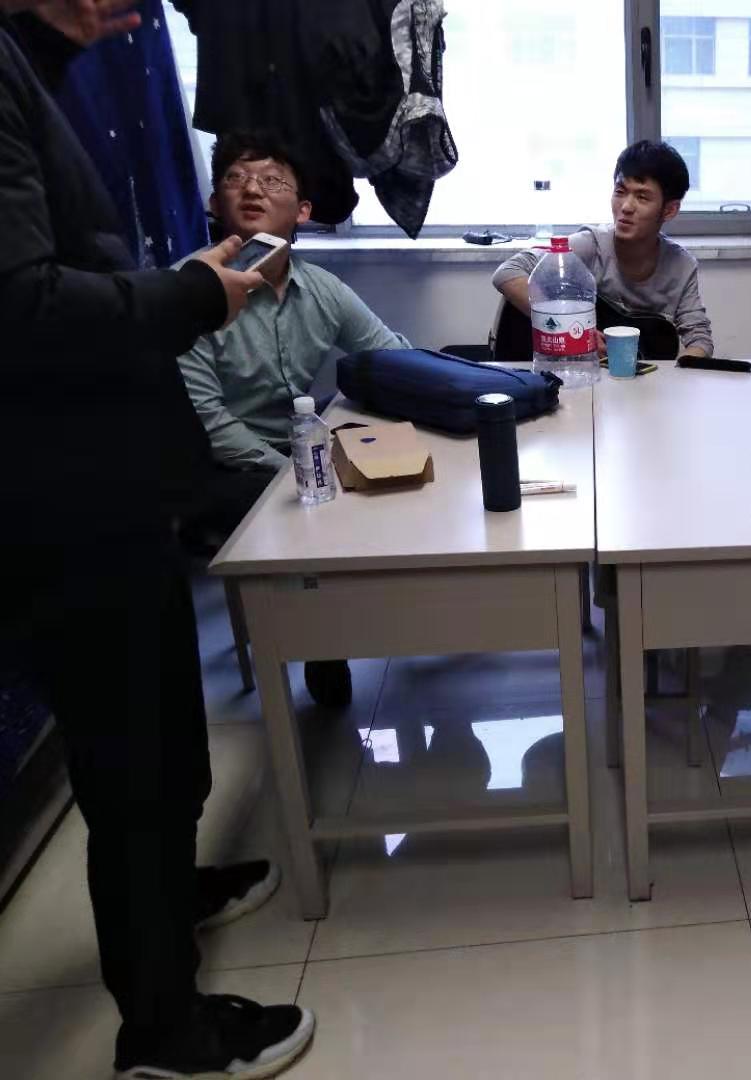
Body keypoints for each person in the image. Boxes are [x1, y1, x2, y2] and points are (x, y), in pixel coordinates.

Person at [0, 2, 315, 1077]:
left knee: (165, 728)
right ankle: (165, 1032)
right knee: (132, 751)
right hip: (60, 495)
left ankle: (172, 893)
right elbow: (23, 307)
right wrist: (192, 293)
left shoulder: (30, 63)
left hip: (108, 485)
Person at [178, 129, 410, 707]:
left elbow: (388, 355)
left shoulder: (319, 288)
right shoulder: (188, 291)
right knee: (307, 505)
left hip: (298, 442)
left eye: (271, 180)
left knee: (392, 462)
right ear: (214, 203)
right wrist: (291, 470)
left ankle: (400, 618)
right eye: (235, 179)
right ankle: (319, 646)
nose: (252, 189)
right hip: (215, 463)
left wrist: (443, 381)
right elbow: (207, 420)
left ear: (302, 210)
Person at [492, 139, 714, 360]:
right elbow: (508, 271)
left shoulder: (681, 266)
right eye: (620, 191)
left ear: (670, 210)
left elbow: (700, 339)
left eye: (642, 197)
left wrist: (676, 373)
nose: (626, 207)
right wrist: (568, 329)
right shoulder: (590, 245)